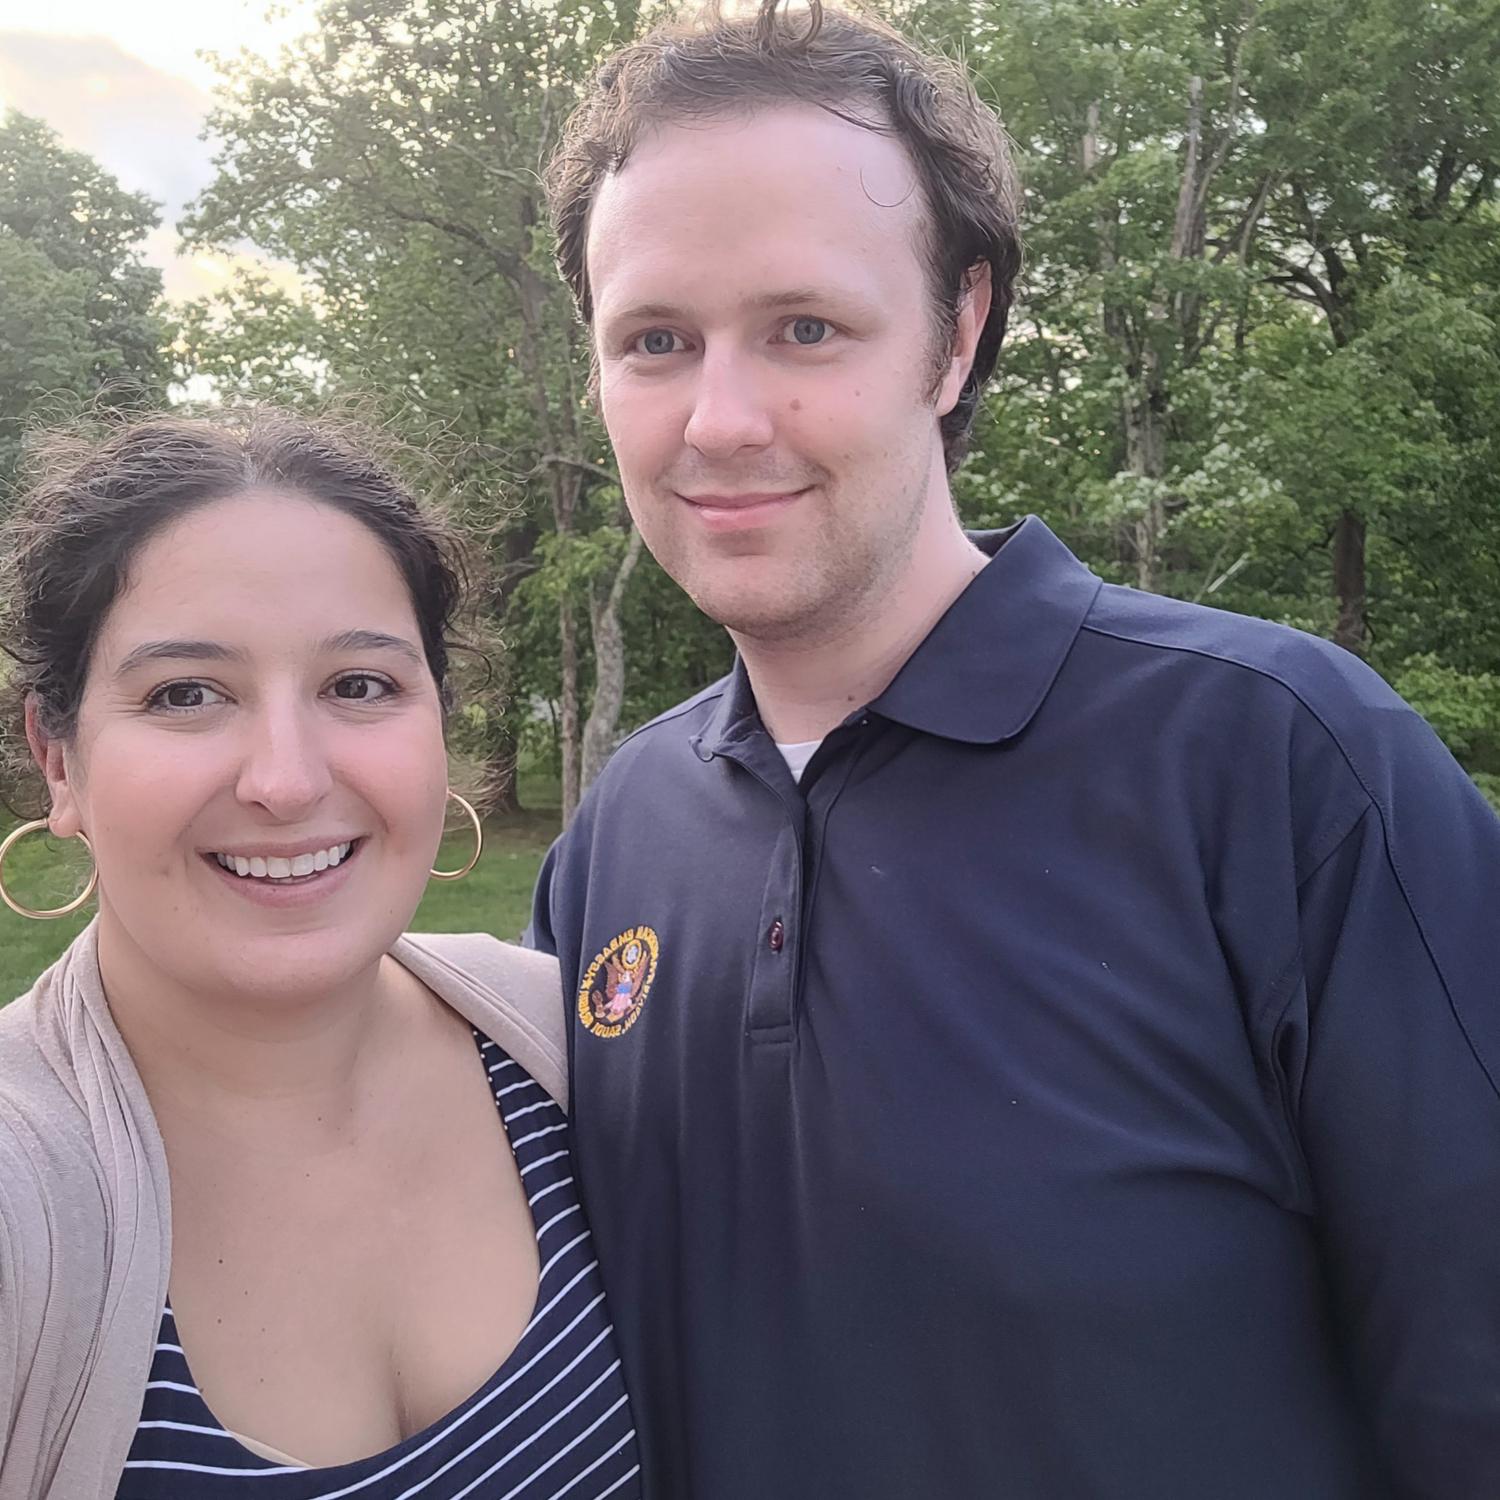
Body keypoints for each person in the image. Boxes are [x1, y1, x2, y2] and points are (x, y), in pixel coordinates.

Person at [529, 2, 1500, 1495]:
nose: (719, 419)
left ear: (958, 330)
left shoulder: (1280, 763)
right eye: (656, 341)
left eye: (805, 329)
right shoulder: (620, 834)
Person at [0, 411, 640, 1499]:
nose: (287, 781)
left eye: (359, 685)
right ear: (59, 759)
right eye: (186, 694)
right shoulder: (25, 1202)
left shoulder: (564, 1049)